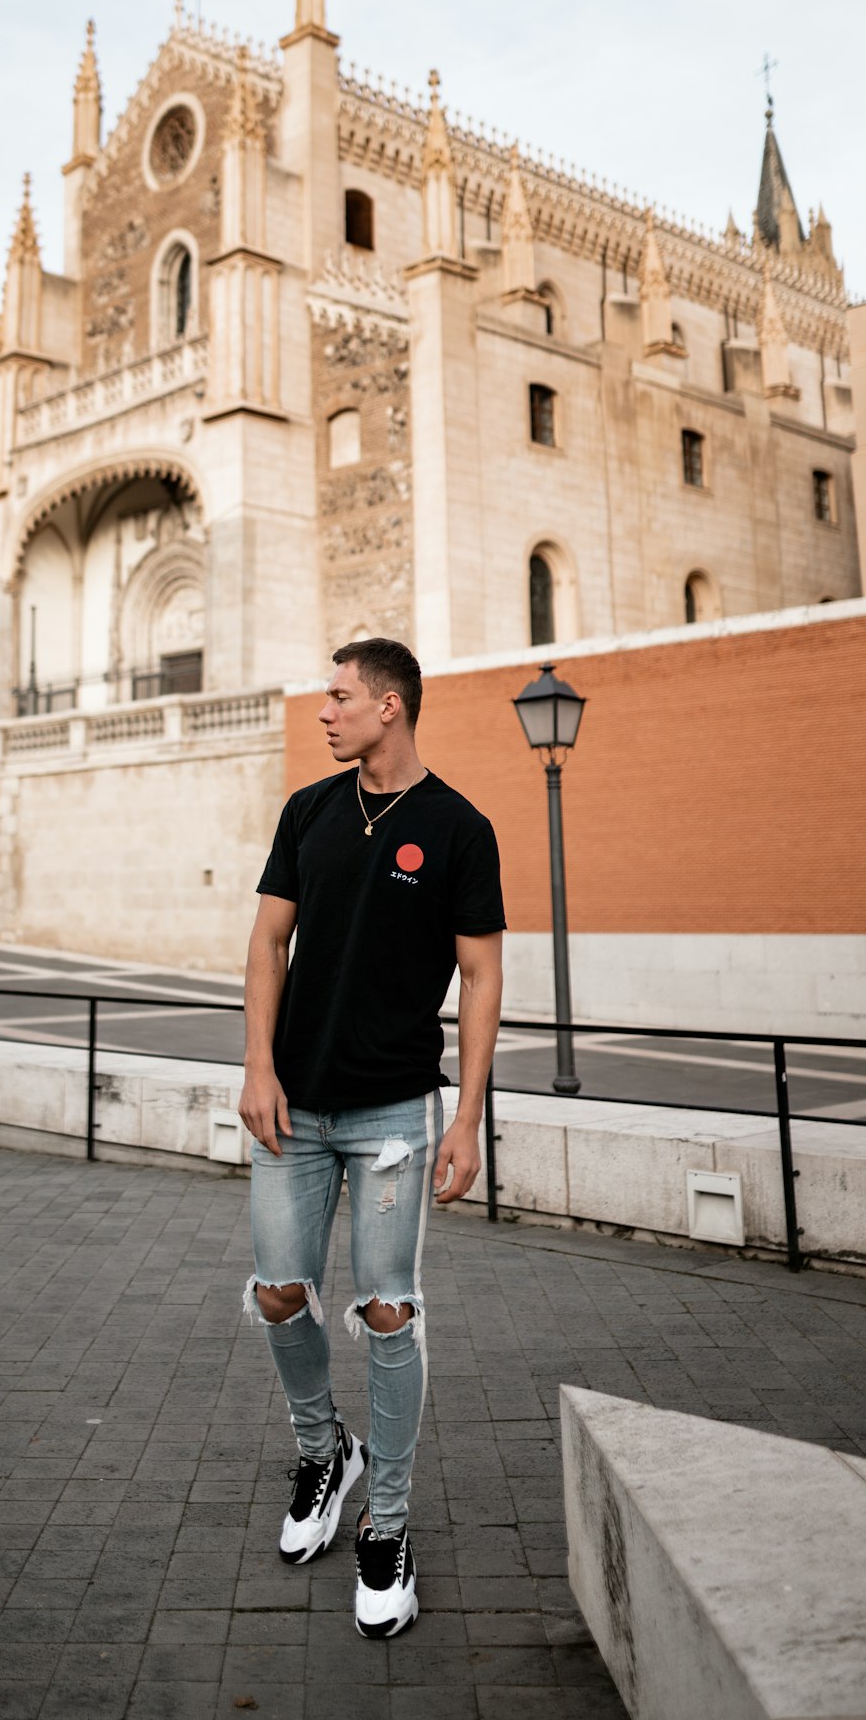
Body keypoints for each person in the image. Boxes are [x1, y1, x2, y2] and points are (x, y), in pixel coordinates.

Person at [238, 636, 505, 1640]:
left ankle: (386, 1526)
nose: (325, 711)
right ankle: (324, 1451)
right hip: (292, 1105)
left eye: (340, 696)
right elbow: (268, 943)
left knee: (388, 1310)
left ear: (389, 706)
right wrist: (257, 1063)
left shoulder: (457, 827)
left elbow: (480, 978)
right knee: (276, 1289)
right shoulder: (308, 810)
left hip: (395, 1110)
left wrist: (468, 1116)